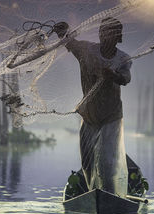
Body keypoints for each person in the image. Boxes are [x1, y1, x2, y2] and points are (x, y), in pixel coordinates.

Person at [54, 17, 131, 198]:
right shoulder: (87, 51)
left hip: (111, 117)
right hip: (89, 116)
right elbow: (70, 43)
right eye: (104, 31)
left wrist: (113, 75)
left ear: (119, 37)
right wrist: (61, 31)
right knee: (87, 164)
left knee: (107, 164)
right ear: (99, 34)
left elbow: (126, 78)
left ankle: (109, 196)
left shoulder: (123, 59)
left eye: (112, 33)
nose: (107, 35)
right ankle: (92, 196)